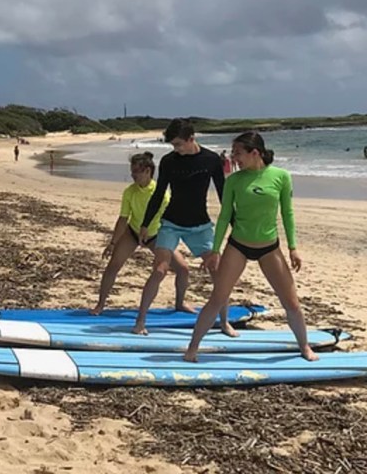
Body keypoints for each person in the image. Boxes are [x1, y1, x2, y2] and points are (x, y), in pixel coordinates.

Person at [184, 132, 318, 362]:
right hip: (238, 245)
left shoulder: (281, 176)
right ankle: (192, 349)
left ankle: (304, 347)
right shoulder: (234, 181)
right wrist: (215, 251)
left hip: (269, 247)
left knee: (291, 303)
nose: (234, 158)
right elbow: (225, 215)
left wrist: (293, 247)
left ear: (255, 153)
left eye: (238, 153)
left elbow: (287, 213)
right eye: (233, 153)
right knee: (217, 298)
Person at [134, 118, 236, 336]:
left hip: (200, 225)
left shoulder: (210, 160)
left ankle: (225, 322)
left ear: (192, 139)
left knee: (218, 273)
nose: (176, 149)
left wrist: (234, 224)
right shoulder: (169, 161)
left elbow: (223, 195)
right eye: (173, 145)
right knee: (160, 269)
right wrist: (145, 223)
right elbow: (159, 193)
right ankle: (140, 321)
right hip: (171, 223)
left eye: (179, 144)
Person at [89, 152, 192, 316]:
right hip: (133, 232)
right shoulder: (130, 192)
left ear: (148, 171)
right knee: (113, 265)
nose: (133, 174)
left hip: (156, 235)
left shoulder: (162, 194)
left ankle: (180, 304)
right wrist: (113, 243)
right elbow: (123, 219)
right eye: (132, 170)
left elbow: (168, 221)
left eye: (137, 170)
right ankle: (100, 304)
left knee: (183, 269)